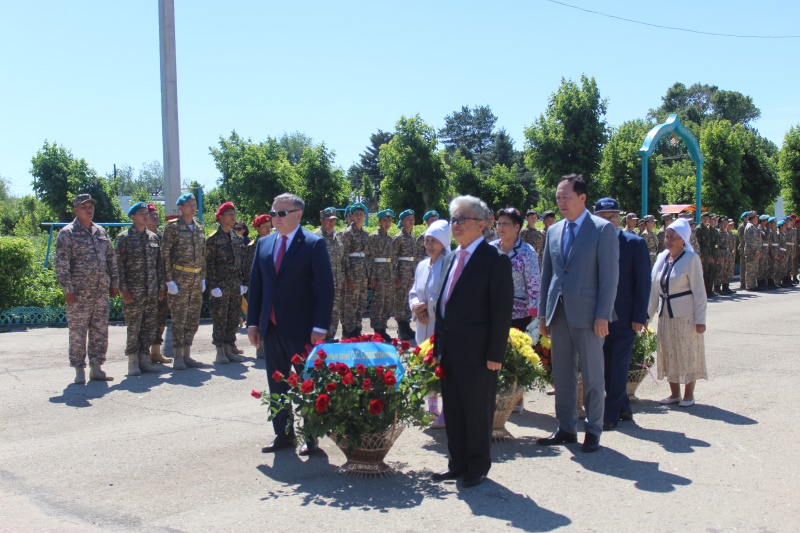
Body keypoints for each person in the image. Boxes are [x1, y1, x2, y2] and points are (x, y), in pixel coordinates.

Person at [431, 195, 513, 488]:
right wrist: (438, 346)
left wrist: (495, 353)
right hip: (450, 350)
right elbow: (444, 304)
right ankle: (458, 462)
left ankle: (477, 465)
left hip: (479, 353)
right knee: (453, 408)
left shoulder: (495, 260)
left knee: (477, 410)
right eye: (453, 219)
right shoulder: (451, 257)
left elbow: (501, 311)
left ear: (481, 225)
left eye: (461, 219)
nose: (455, 225)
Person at [537, 174, 619, 453]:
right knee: (562, 374)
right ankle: (566, 427)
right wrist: (542, 315)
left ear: (582, 198)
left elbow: (609, 277)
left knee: (594, 375)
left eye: (566, 197)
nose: (560, 202)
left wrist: (603, 315)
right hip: (558, 313)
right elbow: (547, 274)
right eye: (558, 197)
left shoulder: (602, 229)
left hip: (590, 316)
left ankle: (594, 429)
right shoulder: (554, 231)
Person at [247, 193, 334, 456]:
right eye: (273, 213)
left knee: (308, 383)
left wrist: (320, 326)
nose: (275, 218)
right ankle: (283, 435)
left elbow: (325, 289)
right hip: (271, 328)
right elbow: (257, 287)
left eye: (281, 213)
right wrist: (253, 323)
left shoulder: (313, 244)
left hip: (303, 329)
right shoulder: (264, 244)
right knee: (277, 383)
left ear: (298, 214)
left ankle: (311, 436)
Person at [592, 198, 651, 430]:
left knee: (617, 365)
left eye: (613, 216)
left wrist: (640, 315)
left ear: (620, 219)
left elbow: (643, 282)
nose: (609, 221)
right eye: (603, 217)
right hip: (598, 317)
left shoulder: (634, 244)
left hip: (625, 317)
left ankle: (611, 413)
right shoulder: (591, 244)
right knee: (604, 365)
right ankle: (624, 405)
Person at [55, 194, 120, 384]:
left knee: (100, 330)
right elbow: (62, 264)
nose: (88, 210)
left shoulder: (100, 231)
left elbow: (111, 259)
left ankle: (97, 367)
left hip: (100, 292)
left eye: (90, 206)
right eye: (84, 207)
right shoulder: (67, 233)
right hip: (79, 293)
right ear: (75, 210)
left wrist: (114, 283)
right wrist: (68, 289)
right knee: (78, 332)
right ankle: (79, 369)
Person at [648, 218, 707, 407]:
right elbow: (654, 291)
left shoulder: (691, 259)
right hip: (666, 315)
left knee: (688, 352)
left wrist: (700, 319)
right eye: (667, 236)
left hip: (686, 316)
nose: (669, 239)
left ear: (683, 239)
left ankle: (689, 395)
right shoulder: (662, 259)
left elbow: (700, 292)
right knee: (669, 352)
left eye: (673, 237)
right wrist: (646, 317)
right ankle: (674, 393)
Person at [408, 219, 451, 428]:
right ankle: (431, 407)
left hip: (440, 326)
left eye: (433, 241)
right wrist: (416, 306)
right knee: (426, 366)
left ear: (443, 242)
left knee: (442, 365)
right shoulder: (422, 265)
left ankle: (446, 411)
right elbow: (414, 291)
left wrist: (429, 308)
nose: (429, 245)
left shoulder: (449, 263)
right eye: (426, 240)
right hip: (422, 324)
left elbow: (448, 295)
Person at [115, 202, 164, 376]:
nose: (146, 216)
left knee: (149, 326)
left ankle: (145, 359)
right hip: (133, 292)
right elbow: (118, 267)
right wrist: (124, 290)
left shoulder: (153, 237)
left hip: (151, 290)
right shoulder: (124, 238)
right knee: (134, 327)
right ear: (132, 217)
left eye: (146, 213)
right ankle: (132, 362)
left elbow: (159, 265)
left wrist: (160, 287)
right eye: (141, 213)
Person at [162, 193, 206, 370]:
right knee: (179, 318)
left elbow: (203, 255)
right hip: (179, 277)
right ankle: (178, 356)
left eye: (194, 204)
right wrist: (168, 280)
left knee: (193, 318)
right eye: (188, 204)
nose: (192, 207)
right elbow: (164, 254)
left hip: (196, 277)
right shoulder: (172, 227)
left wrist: (203, 277)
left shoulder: (199, 227)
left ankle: (187, 354)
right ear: (180, 208)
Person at [206, 202, 247, 365]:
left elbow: (241, 262)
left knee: (233, 317)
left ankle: (230, 347)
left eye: (234, 213)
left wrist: (243, 282)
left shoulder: (237, 239)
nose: (233, 217)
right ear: (220, 217)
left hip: (235, 283)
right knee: (220, 318)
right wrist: (213, 285)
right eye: (229, 214)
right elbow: (208, 264)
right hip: (220, 285)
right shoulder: (213, 239)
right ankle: (220, 351)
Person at [490, 208, 540, 331]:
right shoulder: (490, 249)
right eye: (499, 223)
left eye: (505, 223)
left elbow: (534, 286)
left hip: (520, 316)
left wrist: (535, 315)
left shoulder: (527, 251)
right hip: (492, 313)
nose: (500, 227)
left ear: (517, 227)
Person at [145, 203, 172, 365]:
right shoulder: (141, 236)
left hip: (162, 284)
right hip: (144, 285)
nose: (156, 216)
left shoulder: (162, 237)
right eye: (151, 214)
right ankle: (144, 353)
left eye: (156, 214)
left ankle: (156, 352)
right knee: (145, 320)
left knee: (160, 318)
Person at [339, 202, 370, 338]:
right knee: (350, 303)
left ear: (364, 216)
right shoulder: (347, 233)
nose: (358, 215)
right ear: (352, 215)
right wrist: (348, 277)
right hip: (352, 274)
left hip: (362, 274)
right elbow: (343, 255)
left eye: (361, 213)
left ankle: (357, 328)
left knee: (360, 302)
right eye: (356, 213)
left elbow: (368, 256)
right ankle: (348, 331)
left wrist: (369, 275)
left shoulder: (365, 234)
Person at [314, 208, 344, 342]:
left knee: (335, 310)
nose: (332, 222)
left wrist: (342, 278)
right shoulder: (316, 237)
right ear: (322, 220)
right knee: (322, 309)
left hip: (337, 281)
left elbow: (341, 259)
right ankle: (320, 338)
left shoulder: (337, 237)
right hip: (322, 282)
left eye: (334, 220)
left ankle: (330, 336)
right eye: (329, 220)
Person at [368, 209, 395, 341]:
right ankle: (377, 329)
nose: (387, 223)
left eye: (389, 220)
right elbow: (370, 257)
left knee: (387, 302)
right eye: (384, 220)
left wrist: (394, 275)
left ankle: (383, 327)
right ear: (379, 221)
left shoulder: (390, 239)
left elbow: (392, 259)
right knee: (378, 301)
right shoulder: (373, 237)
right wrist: (372, 276)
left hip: (388, 273)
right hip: (378, 273)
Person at [393, 209, 419, 341]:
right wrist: (396, 277)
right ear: (402, 222)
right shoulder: (398, 238)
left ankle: (407, 326)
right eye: (408, 218)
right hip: (402, 272)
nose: (411, 220)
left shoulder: (413, 237)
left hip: (411, 273)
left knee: (408, 300)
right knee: (400, 300)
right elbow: (393, 259)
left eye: (412, 218)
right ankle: (401, 328)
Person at [715, 217, 735, 294]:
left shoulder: (727, 233)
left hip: (728, 254)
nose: (725, 225)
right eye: (723, 223)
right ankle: (717, 288)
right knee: (720, 271)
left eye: (726, 224)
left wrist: (730, 256)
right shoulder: (718, 233)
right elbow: (716, 246)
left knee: (727, 271)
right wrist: (718, 256)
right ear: (720, 224)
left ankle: (725, 287)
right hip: (721, 254)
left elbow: (730, 246)